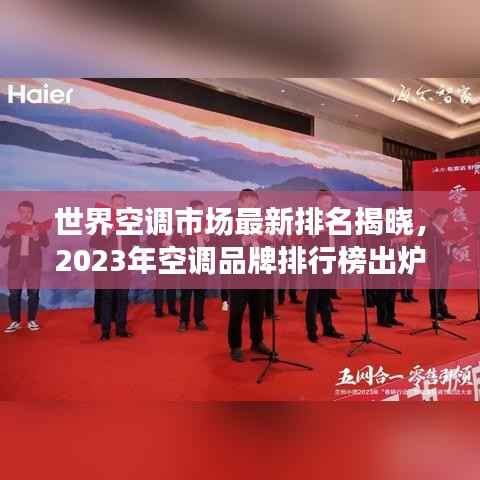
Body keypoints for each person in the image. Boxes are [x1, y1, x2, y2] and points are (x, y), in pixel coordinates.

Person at [227, 189, 271, 362]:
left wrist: (271, 239)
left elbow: (265, 244)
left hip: (259, 271)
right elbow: (222, 244)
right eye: (249, 205)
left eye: (255, 205)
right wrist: (242, 241)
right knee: (237, 311)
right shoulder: (229, 220)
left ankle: (257, 341)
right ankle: (235, 346)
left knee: (258, 309)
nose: (252, 208)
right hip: (239, 272)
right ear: (240, 204)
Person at [90, 193, 139, 341]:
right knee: (107, 297)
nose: (120, 208)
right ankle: (105, 331)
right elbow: (93, 243)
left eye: (122, 205)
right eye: (117, 205)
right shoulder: (101, 222)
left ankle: (121, 328)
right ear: (111, 205)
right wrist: (105, 234)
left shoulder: (130, 221)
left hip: (124, 264)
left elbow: (135, 241)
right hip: (107, 265)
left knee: (123, 297)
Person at [1, 200, 49, 333]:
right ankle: (15, 321)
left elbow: (46, 243)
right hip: (16, 263)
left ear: (32, 212)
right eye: (23, 212)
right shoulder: (12, 226)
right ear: (19, 212)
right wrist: (7, 235)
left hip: (33, 263)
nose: (25, 214)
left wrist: (36, 237)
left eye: (28, 212)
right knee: (14, 293)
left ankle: (31, 320)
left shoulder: (39, 226)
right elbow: (3, 243)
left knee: (33, 293)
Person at [304, 190, 344, 342]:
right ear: (318, 202)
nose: (329, 205)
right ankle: (311, 330)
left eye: (330, 202)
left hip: (330, 259)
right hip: (316, 260)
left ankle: (328, 328)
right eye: (326, 202)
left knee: (326, 296)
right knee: (314, 296)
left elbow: (338, 238)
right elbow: (309, 239)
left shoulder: (333, 218)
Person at [175, 200, 209, 333]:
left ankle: (199, 320)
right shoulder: (183, 224)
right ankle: (183, 321)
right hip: (188, 262)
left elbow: (215, 242)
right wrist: (182, 235)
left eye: (202, 210)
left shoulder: (207, 224)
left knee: (200, 293)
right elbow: (175, 241)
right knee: (186, 294)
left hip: (203, 261)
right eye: (198, 210)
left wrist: (208, 239)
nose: (201, 213)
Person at [369, 202, 404, 328]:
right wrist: (394, 240)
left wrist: (402, 240)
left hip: (393, 260)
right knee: (382, 291)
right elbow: (374, 243)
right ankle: (382, 318)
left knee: (392, 290)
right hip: (381, 260)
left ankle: (391, 316)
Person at [423, 208, 457, 320]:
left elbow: (447, 242)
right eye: (444, 217)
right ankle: (435, 311)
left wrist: (454, 243)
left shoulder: (443, 229)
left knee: (443, 286)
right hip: (436, 261)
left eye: (446, 218)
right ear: (438, 216)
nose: (446, 220)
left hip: (445, 260)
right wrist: (443, 244)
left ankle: (443, 310)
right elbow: (427, 245)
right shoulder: (429, 229)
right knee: (436, 286)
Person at [146, 232, 178, 317]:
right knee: (159, 286)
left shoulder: (176, 229)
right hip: (160, 260)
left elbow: (181, 241)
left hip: (173, 259)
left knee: (172, 285)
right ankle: (158, 309)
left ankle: (172, 308)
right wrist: (161, 243)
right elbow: (149, 240)